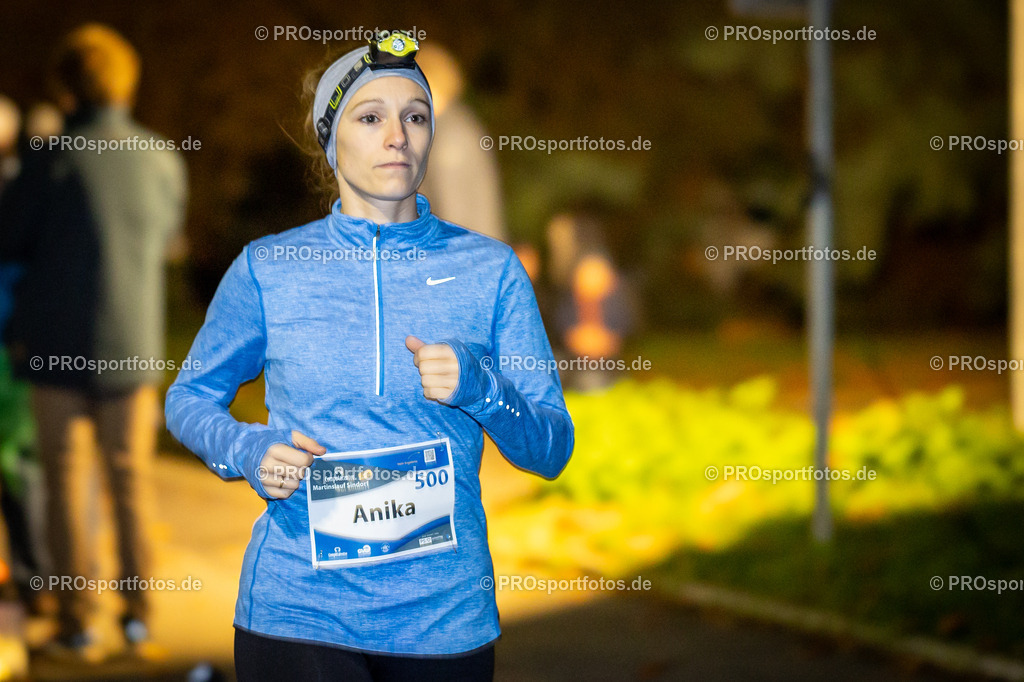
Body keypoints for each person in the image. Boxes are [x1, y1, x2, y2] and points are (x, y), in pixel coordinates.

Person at [165, 31, 574, 681]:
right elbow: (188, 398)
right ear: (331, 141)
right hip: (298, 615)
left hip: (444, 621)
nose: (398, 136)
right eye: (370, 117)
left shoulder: (490, 271)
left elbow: (550, 448)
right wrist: (246, 449)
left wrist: (482, 386)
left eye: (416, 117)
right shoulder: (270, 267)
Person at [0, 24, 188, 660]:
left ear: (66, 86)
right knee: (130, 483)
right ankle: (138, 623)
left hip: (55, 346)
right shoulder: (161, 158)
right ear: (125, 84)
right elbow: (167, 240)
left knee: (63, 483)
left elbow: (9, 240)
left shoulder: (49, 159)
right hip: (131, 345)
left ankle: (77, 625)